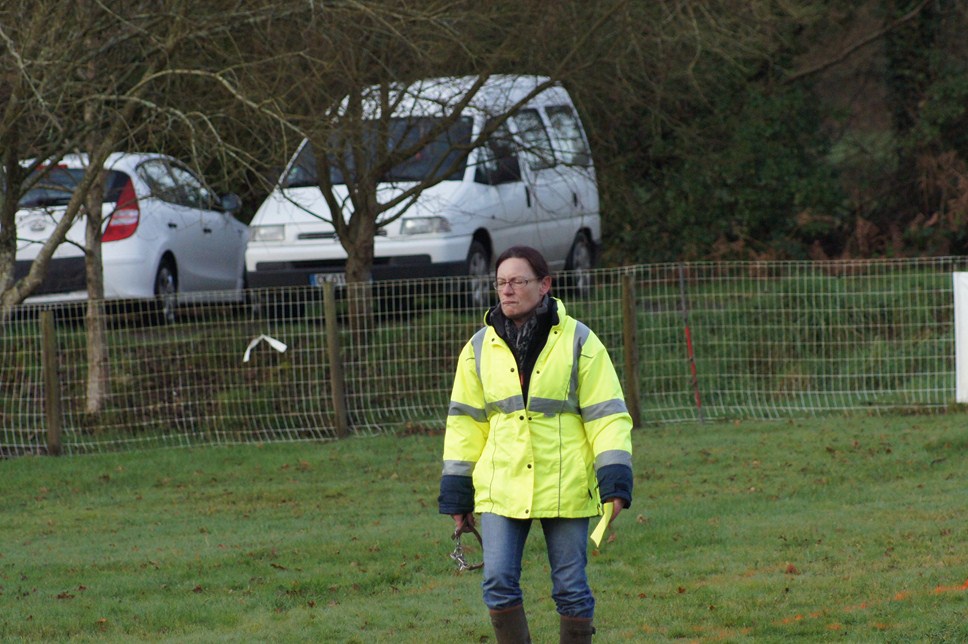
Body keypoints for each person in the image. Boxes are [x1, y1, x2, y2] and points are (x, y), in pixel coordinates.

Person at [438, 245, 634, 643]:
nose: (507, 291)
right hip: (502, 486)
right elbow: (464, 425)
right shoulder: (477, 348)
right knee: (497, 583)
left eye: (517, 281)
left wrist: (615, 480)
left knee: (571, 590)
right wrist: (457, 496)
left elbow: (607, 415)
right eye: (500, 283)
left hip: (566, 484)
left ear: (545, 285)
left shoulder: (581, 341)